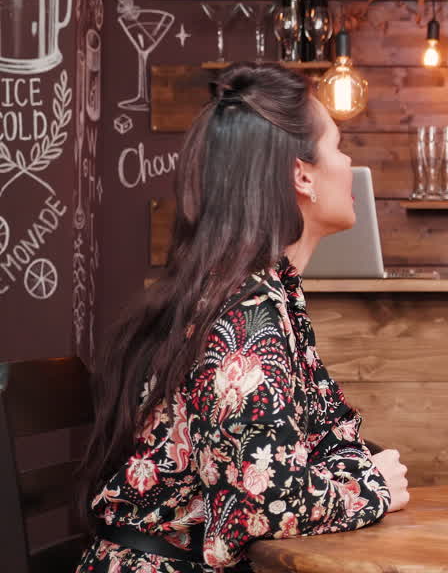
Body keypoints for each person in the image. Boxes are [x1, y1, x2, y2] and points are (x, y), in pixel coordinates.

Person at [76, 64, 410, 572]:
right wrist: (373, 487)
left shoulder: (264, 294)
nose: (348, 162)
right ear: (302, 175)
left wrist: (348, 470)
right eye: (338, 147)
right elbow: (262, 503)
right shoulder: (245, 319)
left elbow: (325, 445)